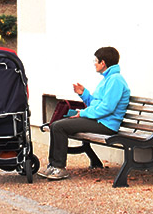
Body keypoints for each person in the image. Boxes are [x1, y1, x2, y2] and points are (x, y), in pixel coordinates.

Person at [37, 46, 131, 180]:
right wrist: (84, 94)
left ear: (103, 63)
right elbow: (97, 103)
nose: (94, 64)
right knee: (56, 124)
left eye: (96, 61)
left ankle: (59, 167)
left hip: (106, 125)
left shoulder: (115, 80)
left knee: (59, 126)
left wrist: (82, 113)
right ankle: (53, 166)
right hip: (99, 120)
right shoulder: (108, 79)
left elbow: (107, 108)